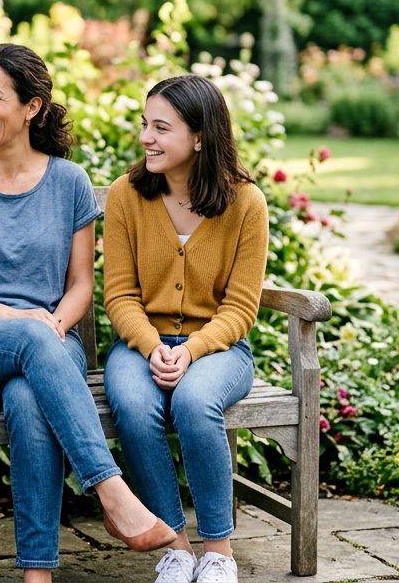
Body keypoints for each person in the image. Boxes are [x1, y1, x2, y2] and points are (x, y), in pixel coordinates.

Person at [0, 43, 176, 582]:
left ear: (32, 106)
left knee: (28, 397)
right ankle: (113, 493)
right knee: (33, 344)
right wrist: (21, 322)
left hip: (50, 344)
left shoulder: (68, 181)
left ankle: (37, 575)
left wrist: (48, 324)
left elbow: (80, 285)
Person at [102, 73, 268, 583]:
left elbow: (241, 308)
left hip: (219, 350)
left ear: (199, 137)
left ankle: (218, 553)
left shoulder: (246, 203)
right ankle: (175, 548)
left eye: (161, 127)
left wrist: (192, 350)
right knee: (134, 406)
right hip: (140, 345)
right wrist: (152, 346)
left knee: (196, 403)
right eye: (144, 125)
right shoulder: (126, 195)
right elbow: (120, 296)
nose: (146, 138)